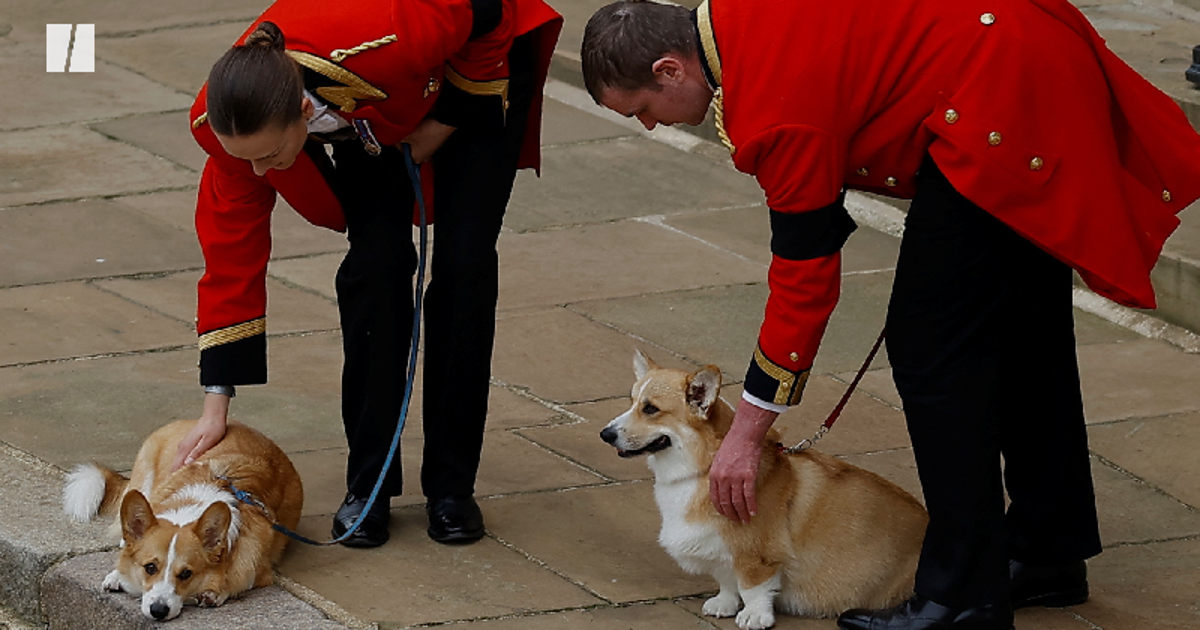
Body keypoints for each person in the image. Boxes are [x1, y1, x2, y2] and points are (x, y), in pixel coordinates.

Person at [581, 0, 1200, 628]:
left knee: (933, 351)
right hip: (1015, 57)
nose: (653, 128)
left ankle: (964, 595)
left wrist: (745, 434)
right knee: (1021, 330)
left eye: (643, 111)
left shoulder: (772, 109)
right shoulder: (739, 26)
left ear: (670, 70)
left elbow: (804, 282)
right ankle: (1046, 551)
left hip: (998, 99)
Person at [174, 0, 561, 549]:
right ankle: (369, 485)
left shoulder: (388, 35)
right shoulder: (232, 125)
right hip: (372, 106)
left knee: (464, 264)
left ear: (302, 116)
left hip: (480, 64)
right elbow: (230, 260)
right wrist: (217, 405)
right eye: (250, 160)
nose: (259, 173)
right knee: (375, 268)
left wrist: (445, 119)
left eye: (270, 155)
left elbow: (488, 11)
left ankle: (451, 488)